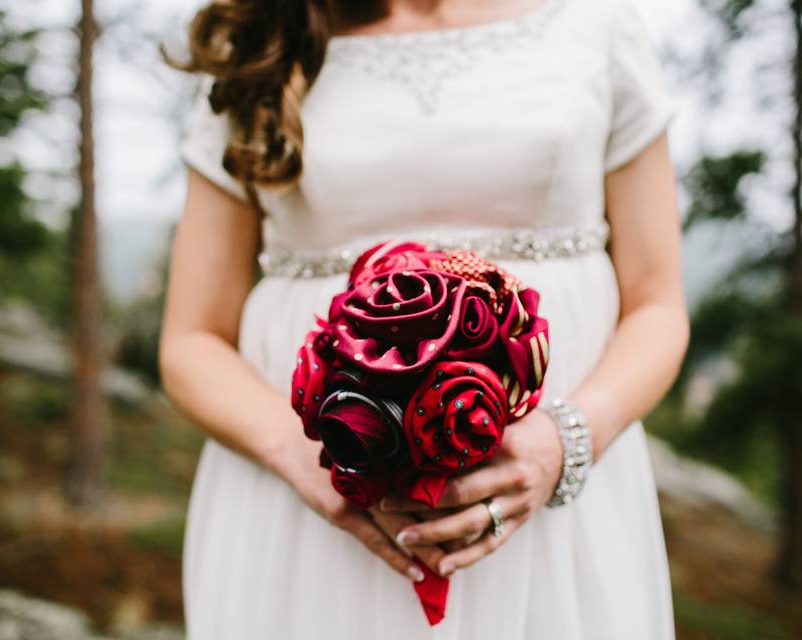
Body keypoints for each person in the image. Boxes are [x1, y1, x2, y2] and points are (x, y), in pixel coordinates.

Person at [159, 0, 689, 637]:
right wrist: (308, 461)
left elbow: (657, 304)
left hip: (554, 509)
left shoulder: (596, 26)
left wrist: (564, 442)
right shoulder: (264, 36)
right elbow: (191, 340)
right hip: (310, 510)